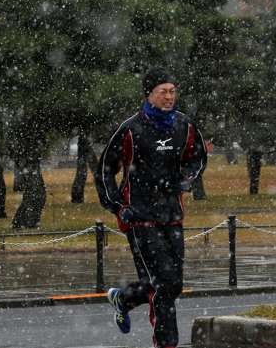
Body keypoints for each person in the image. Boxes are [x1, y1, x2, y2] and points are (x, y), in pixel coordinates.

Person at [95, 67, 207, 348]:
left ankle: (124, 298)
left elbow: (198, 159)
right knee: (162, 283)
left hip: (172, 215)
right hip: (140, 216)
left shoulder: (185, 126)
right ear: (149, 94)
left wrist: (186, 179)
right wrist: (119, 207)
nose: (169, 97)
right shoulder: (131, 129)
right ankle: (166, 344)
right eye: (163, 92)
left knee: (173, 284)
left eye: (172, 91)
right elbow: (105, 170)